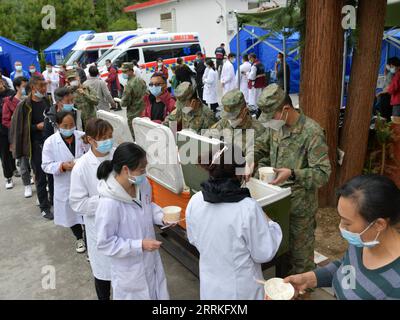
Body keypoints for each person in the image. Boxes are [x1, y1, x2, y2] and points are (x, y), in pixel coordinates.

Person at [249, 84, 331, 275]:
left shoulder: (312, 132)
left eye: (271, 117)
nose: (269, 122)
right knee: (281, 251)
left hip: (299, 209)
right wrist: (250, 160)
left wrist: (293, 173)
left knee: (301, 259)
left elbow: (323, 173)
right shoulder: (276, 126)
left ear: (286, 109)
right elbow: (261, 146)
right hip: (276, 201)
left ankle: (304, 293)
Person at [186, 145, 282, 300]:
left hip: (211, 285)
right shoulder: (248, 208)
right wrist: (271, 224)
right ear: (239, 174)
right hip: (241, 291)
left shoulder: (195, 200)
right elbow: (264, 253)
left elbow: (193, 238)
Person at [285, 175, 400, 300]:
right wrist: (308, 279)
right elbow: (346, 268)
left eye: (347, 223)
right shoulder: (363, 241)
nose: (341, 227)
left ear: (378, 224)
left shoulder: (396, 285)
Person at [95, 142, 170, 300]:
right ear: (125, 169)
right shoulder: (109, 203)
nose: (144, 173)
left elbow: (147, 206)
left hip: (150, 262)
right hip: (129, 272)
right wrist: (139, 245)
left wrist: (162, 217)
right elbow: (105, 243)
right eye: (142, 169)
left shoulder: (142, 184)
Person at [69, 118, 114, 300]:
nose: (108, 141)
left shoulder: (118, 156)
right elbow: (78, 203)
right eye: (103, 137)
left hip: (123, 225)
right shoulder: (82, 166)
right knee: (103, 276)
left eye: (110, 136)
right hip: (99, 227)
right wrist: (106, 199)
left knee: (124, 277)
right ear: (90, 140)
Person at [42, 112, 89, 253]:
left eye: (72, 125)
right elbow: (45, 165)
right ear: (57, 125)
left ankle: (89, 241)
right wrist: (62, 166)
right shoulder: (50, 142)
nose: (69, 128)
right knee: (72, 214)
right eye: (65, 126)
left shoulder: (83, 137)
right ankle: (79, 238)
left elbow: (92, 152)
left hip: (84, 182)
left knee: (87, 213)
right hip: (65, 183)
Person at [10, 75, 54, 220]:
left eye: (45, 86)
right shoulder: (24, 105)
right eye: (41, 86)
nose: (44, 89)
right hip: (35, 145)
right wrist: (37, 126)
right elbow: (20, 128)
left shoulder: (46, 100)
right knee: (40, 177)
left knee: (53, 176)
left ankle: (53, 201)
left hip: (49, 143)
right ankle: (44, 207)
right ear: (33, 87)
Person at [205, 89, 265, 162]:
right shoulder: (224, 122)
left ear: (245, 111)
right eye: (228, 116)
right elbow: (207, 138)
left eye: (233, 117)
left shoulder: (258, 131)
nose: (230, 120)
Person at [2, 76, 32, 197]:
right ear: (17, 87)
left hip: (32, 134)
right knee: (23, 161)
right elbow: (5, 120)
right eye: (24, 87)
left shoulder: (30, 100)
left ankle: (34, 178)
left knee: (36, 161)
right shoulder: (9, 102)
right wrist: (17, 127)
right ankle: (27, 185)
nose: (26, 89)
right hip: (19, 137)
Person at [120, 62, 148, 139]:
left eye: (125, 71)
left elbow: (124, 103)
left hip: (133, 113)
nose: (123, 73)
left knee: (136, 137)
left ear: (131, 71)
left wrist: (121, 101)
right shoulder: (140, 80)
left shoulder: (128, 85)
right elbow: (146, 93)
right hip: (143, 111)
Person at [0, 79, 16, 189]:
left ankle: (15, 169)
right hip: (1, 130)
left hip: (12, 127)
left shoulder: (10, 93)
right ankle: (8, 176)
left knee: (16, 151)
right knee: (4, 153)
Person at [386, 57, 400, 122]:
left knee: (396, 122)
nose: (391, 68)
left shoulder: (398, 75)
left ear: (397, 66)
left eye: (392, 66)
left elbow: (392, 88)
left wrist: (388, 89)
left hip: (397, 101)